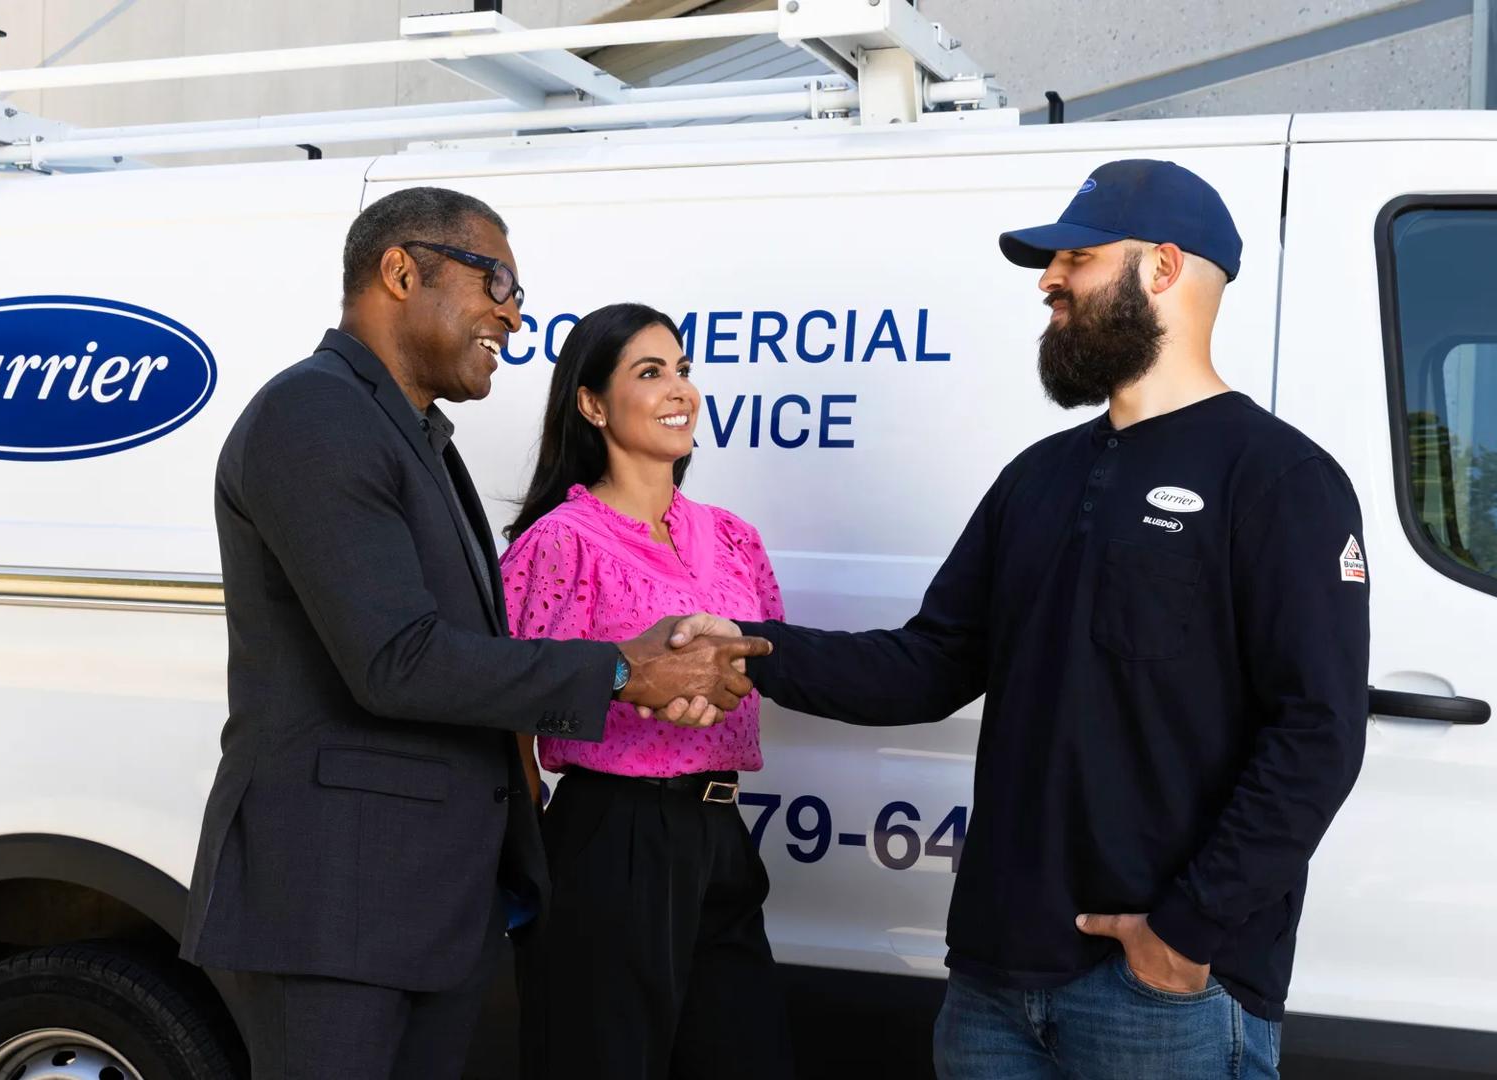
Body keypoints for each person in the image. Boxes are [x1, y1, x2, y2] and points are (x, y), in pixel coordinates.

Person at [661, 159, 1371, 1078]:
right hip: (994, 986)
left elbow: (1318, 732)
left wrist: (1186, 930)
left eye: (1075, 258)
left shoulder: (1280, 479)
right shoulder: (1037, 478)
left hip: (1161, 995)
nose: (1049, 281)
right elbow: (931, 663)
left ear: (1162, 267)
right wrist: (751, 654)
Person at [178, 187, 768, 1080]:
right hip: (335, 906)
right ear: (401, 270)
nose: (512, 314)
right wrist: (621, 672)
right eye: (496, 280)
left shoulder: (416, 434)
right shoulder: (315, 414)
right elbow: (394, 660)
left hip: (420, 908)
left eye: (518, 295)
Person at [501, 303, 794, 1080]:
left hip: (721, 832)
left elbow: (768, 655)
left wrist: (722, 677)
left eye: (685, 370)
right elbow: (502, 705)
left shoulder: (733, 535)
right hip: (612, 838)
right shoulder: (560, 542)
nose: (680, 390)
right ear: (592, 404)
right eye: (651, 371)